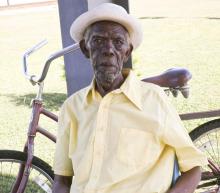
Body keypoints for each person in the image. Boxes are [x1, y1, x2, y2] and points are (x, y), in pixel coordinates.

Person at [52, 3, 207, 193]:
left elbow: (193, 167)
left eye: (118, 42)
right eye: (98, 41)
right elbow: (62, 180)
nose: (108, 50)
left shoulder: (153, 99)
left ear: (127, 52)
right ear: (85, 48)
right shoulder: (72, 107)